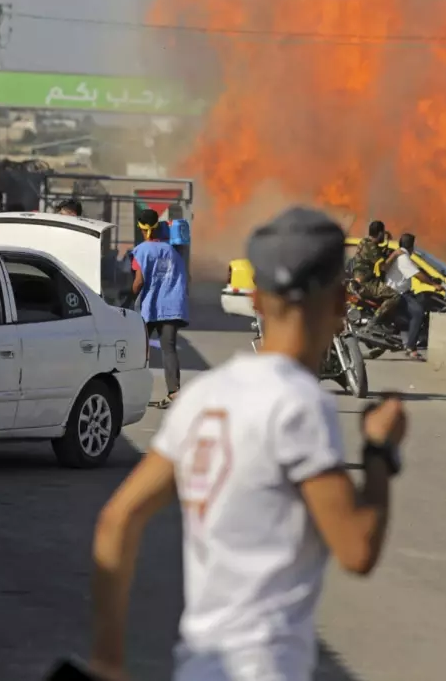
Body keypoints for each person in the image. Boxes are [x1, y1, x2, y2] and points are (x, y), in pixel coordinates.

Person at [88, 206, 407, 681]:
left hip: (197, 666)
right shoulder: (300, 404)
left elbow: (117, 520)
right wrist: (380, 452)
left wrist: (108, 661)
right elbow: (357, 548)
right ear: (341, 303)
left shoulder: (203, 397)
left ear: (256, 300)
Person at [132, 208, 189, 409]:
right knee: (169, 349)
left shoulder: (141, 250)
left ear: (141, 227)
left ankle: (131, 392)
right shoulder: (173, 250)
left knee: (137, 349)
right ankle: (174, 393)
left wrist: (128, 295)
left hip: (150, 307)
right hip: (173, 306)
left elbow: (138, 283)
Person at [383, 233, 444, 360]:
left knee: (419, 302)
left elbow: (417, 271)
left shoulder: (400, 256)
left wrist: (431, 278)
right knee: (418, 313)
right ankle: (411, 348)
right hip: (398, 293)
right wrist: (434, 285)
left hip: (400, 292)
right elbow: (417, 274)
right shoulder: (403, 257)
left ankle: (406, 337)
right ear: (411, 246)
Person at [350, 220, 398, 328]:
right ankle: (375, 321)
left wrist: (386, 242)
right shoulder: (372, 247)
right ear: (380, 233)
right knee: (395, 296)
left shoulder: (364, 242)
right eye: (383, 233)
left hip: (360, 281)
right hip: (367, 284)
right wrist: (395, 254)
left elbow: (379, 251)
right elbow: (383, 266)